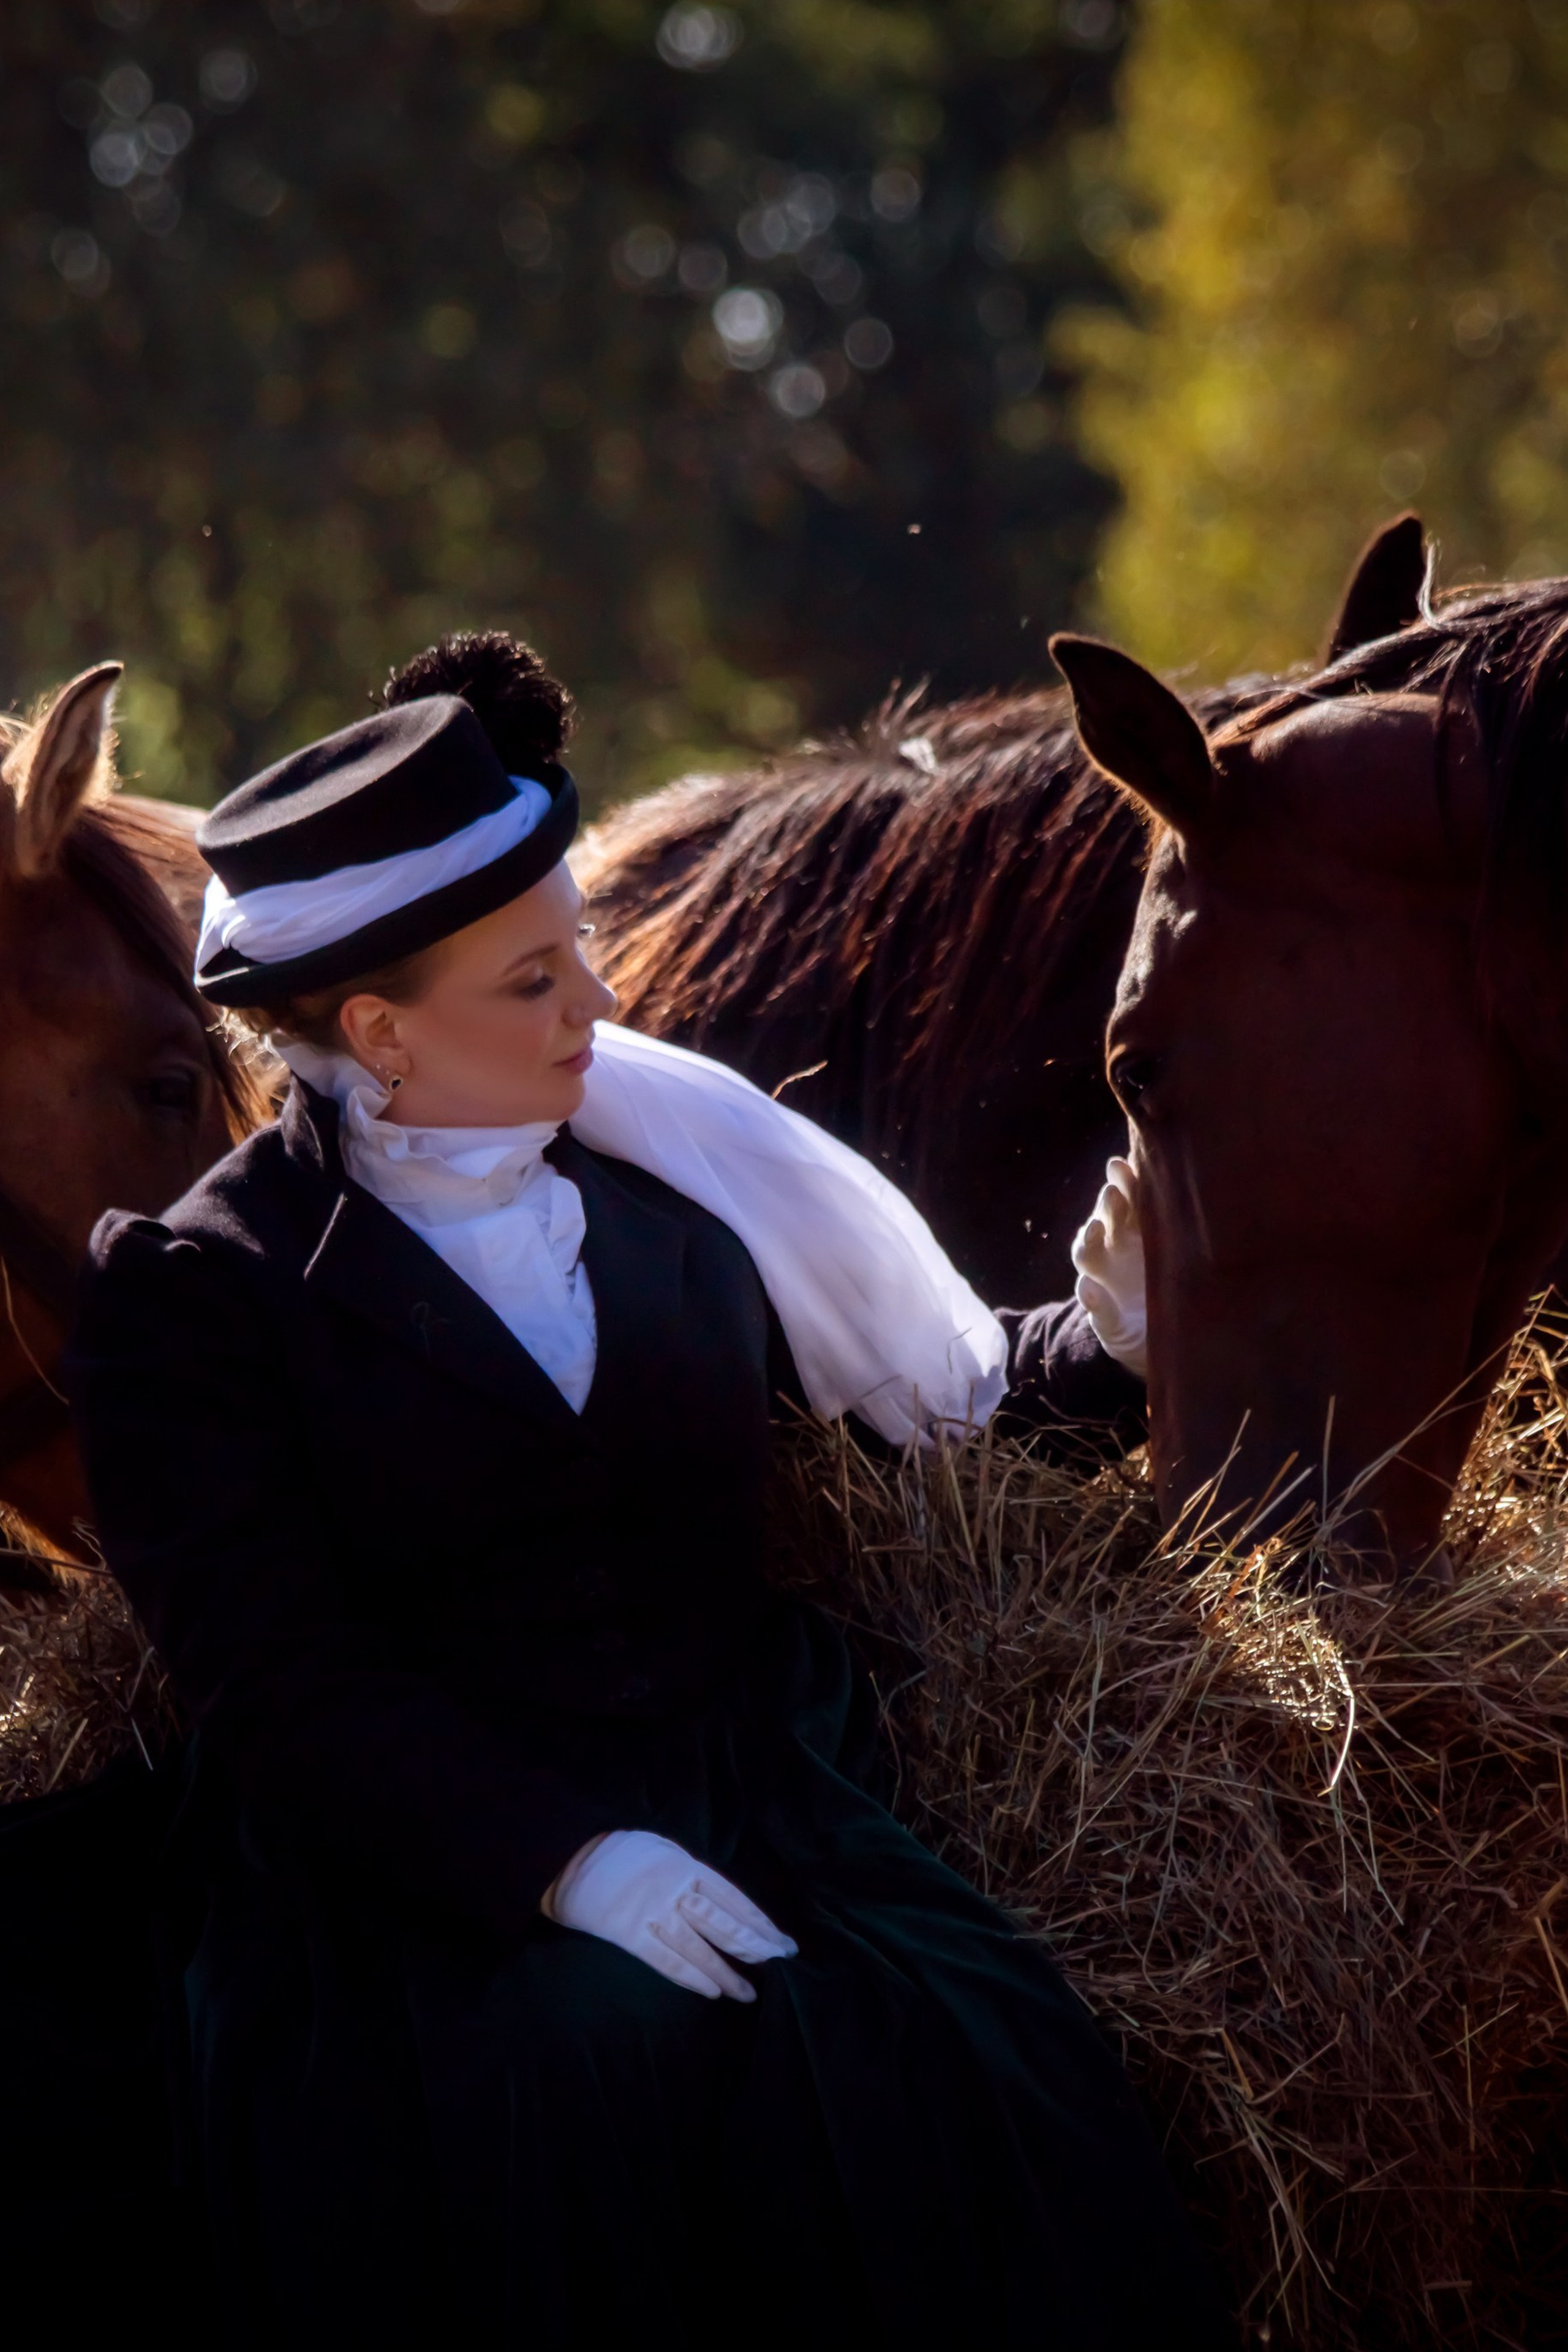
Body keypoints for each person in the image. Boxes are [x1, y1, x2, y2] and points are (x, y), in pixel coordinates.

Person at [67, 638, 1227, 2351]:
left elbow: (931, 1453)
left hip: (757, 1794)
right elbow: (278, 1685)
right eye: (533, 983)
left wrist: (1114, 1336)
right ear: (378, 1031)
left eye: (580, 955)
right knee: (586, 2083)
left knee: (985, 2056)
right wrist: (563, 1864)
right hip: (417, 1888)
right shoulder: (199, 1299)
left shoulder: (672, 1212)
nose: (598, 1009)